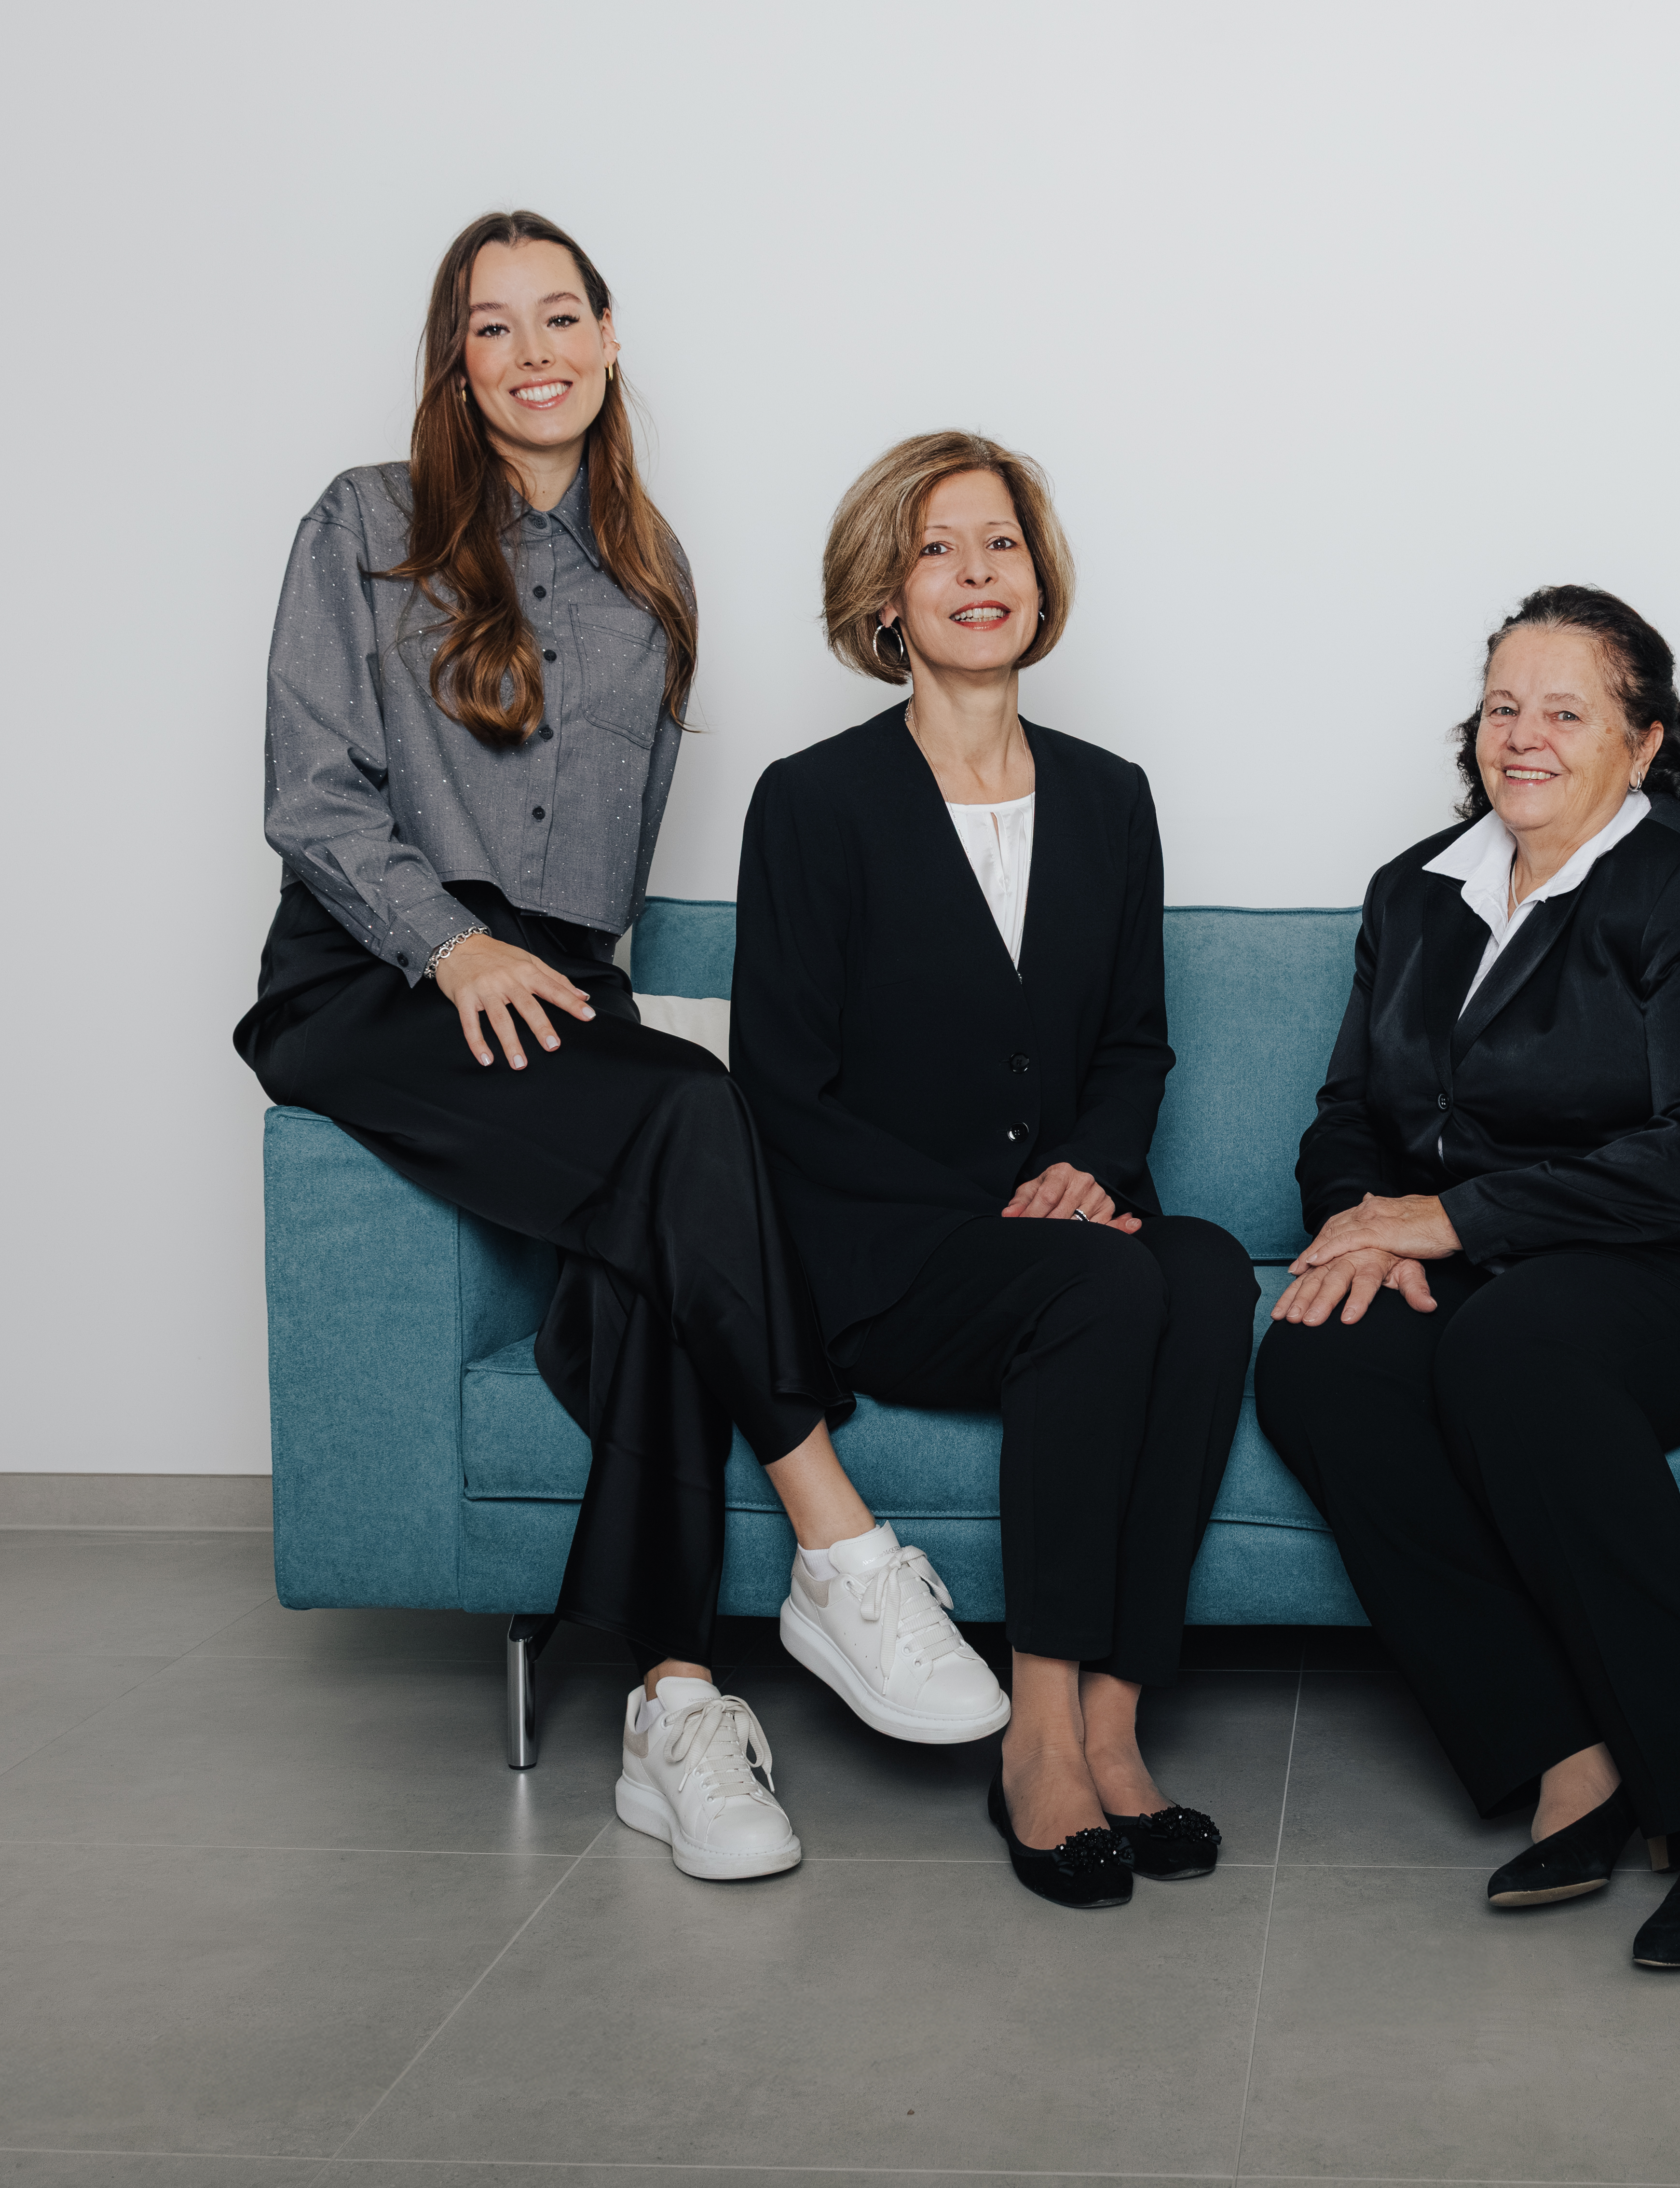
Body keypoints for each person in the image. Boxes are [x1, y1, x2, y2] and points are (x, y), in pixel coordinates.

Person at [233, 212, 1006, 1892]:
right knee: (687, 1123)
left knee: (664, 1217)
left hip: (558, 994)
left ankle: (675, 1707)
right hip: (377, 974)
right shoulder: (364, 522)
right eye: (493, 326)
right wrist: (450, 944)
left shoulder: (651, 573)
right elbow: (310, 792)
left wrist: (580, 1005)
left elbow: (614, 865)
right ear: (457, 362)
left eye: (560, 316)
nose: (534, 353)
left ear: (607, 336)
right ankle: (840, 1547)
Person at [1251, 587, 1680, 1972]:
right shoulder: (1416, 890)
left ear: (1645, 745)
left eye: (1566, 712)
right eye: (1503, 707)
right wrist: (1359, 1226)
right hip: (1499, 1254)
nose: (1524, 736)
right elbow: (1350, 1115)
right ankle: (1566, 1746)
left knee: (1512, 1350)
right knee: (1320, 1362)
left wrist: (1452, 1222)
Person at [732, 432, 1261, 1911]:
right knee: (1105, 1284)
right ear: (886, 598)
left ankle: (1114, 1721)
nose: (980, 573)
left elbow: (1136, 1046)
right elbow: (782, 1090)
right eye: (938, 548)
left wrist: (1090, 1165)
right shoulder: (814, 801)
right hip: (889, 1259)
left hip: (1060, 1236)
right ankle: (1037, 1736)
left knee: (1208, 1270)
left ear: (1041, 578)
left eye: (1003, 543)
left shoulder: (1111, 797)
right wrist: (1011, 1217)